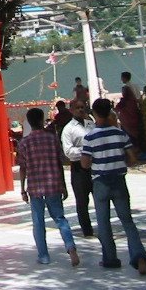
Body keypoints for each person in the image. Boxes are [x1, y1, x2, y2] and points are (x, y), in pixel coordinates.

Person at [81, 98, 146, 275]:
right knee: (127, 220)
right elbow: (132, 158)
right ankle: (139, 256)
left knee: (103, 222)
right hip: (119, 180)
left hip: (100, 182)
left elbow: (85, 164)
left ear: (94, 113)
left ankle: (110, 258)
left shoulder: (90, 137)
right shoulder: (120, 134)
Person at [17, 107, 80, 266]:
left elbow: (23, 168)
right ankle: (71, 247)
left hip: (35, 188)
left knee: (38, 223)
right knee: (60, 219)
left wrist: (22, 189)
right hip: (53, 185)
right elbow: (60, 163)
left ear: (30, 123)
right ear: (41, 120)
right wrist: (63, 185)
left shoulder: (24, 143)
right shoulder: (52, 139)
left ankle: (43, 255)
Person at [60, 99, 95, 238]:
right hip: (79, 168)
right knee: (82, 200)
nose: (81, 110)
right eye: (78, 108)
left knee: (99, 197)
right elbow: (68, 151)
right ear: (72, 110)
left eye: (83, 107)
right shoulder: (68, 129)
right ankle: (87, 230)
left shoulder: (90, 124)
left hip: (94, 165)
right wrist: (85, 151)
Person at [115, 72, 141, 148]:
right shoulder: (135, 86)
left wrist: (117, 108)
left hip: (128, 112)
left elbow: (124, 99)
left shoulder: (126, 87)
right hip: (136, 109)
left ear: (124, 78)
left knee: (128, 130)